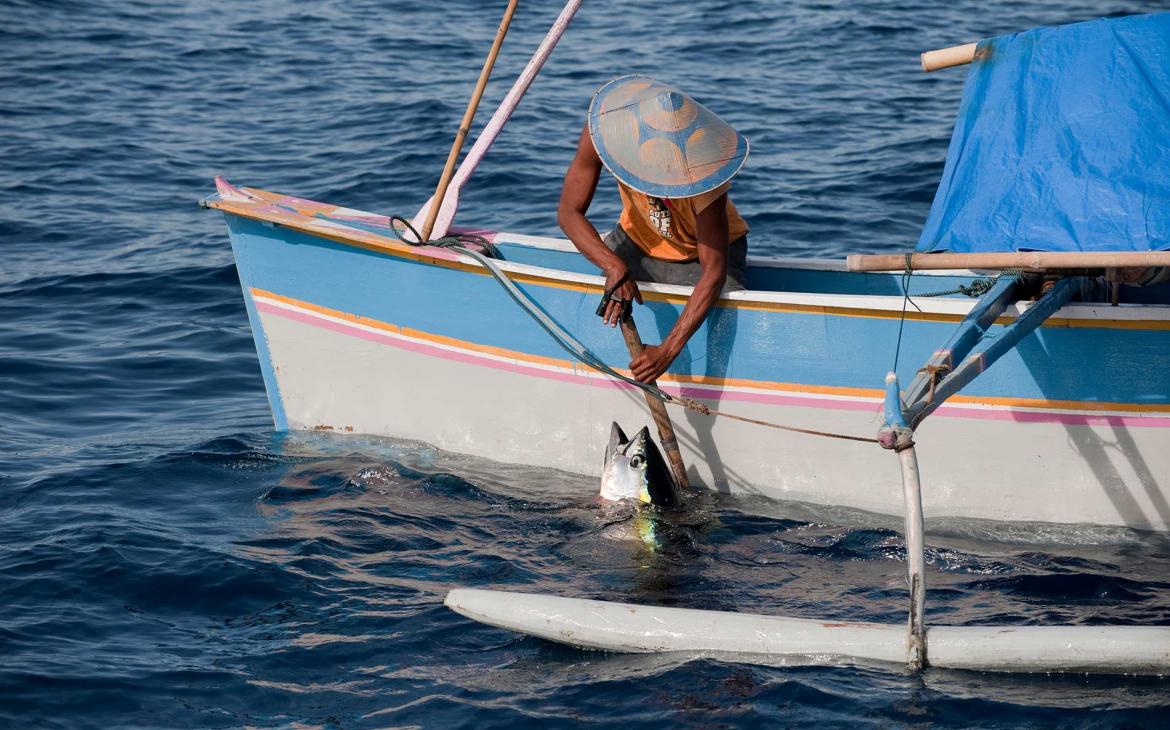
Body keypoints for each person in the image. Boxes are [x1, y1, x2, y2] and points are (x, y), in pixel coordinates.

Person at [557, 75, 750, 384]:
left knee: (720, 315)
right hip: (637, 239)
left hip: (698, 256)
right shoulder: (605, 135)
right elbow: (568, 212)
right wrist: (614, 266)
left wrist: (668, 350)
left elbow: (713, 272)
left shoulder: (703, 182)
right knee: (606, 297)